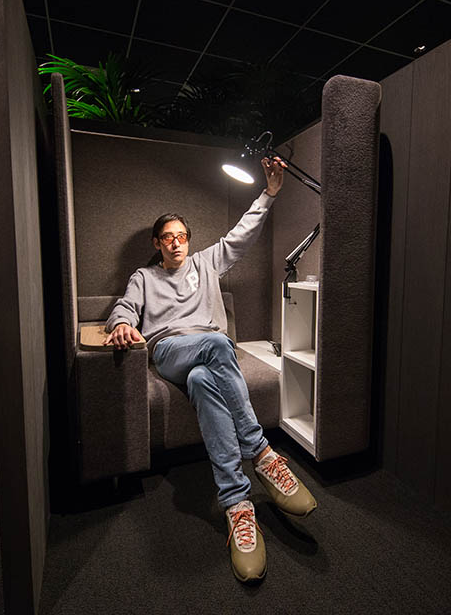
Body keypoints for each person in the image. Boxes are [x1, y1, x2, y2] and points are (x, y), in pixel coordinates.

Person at [102, 156, 318, 583]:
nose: (176, 244)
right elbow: (123, 307)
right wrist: (122, 323)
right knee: (219, 343)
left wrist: (269, 194)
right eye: (168, 238)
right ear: (157, 242)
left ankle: (237, 503)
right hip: (169, 350)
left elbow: (241, 234)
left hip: (206, 360)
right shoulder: (144, 277)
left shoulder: (206, 263)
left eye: (182, 237)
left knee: (203, 380)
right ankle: (261, 452)